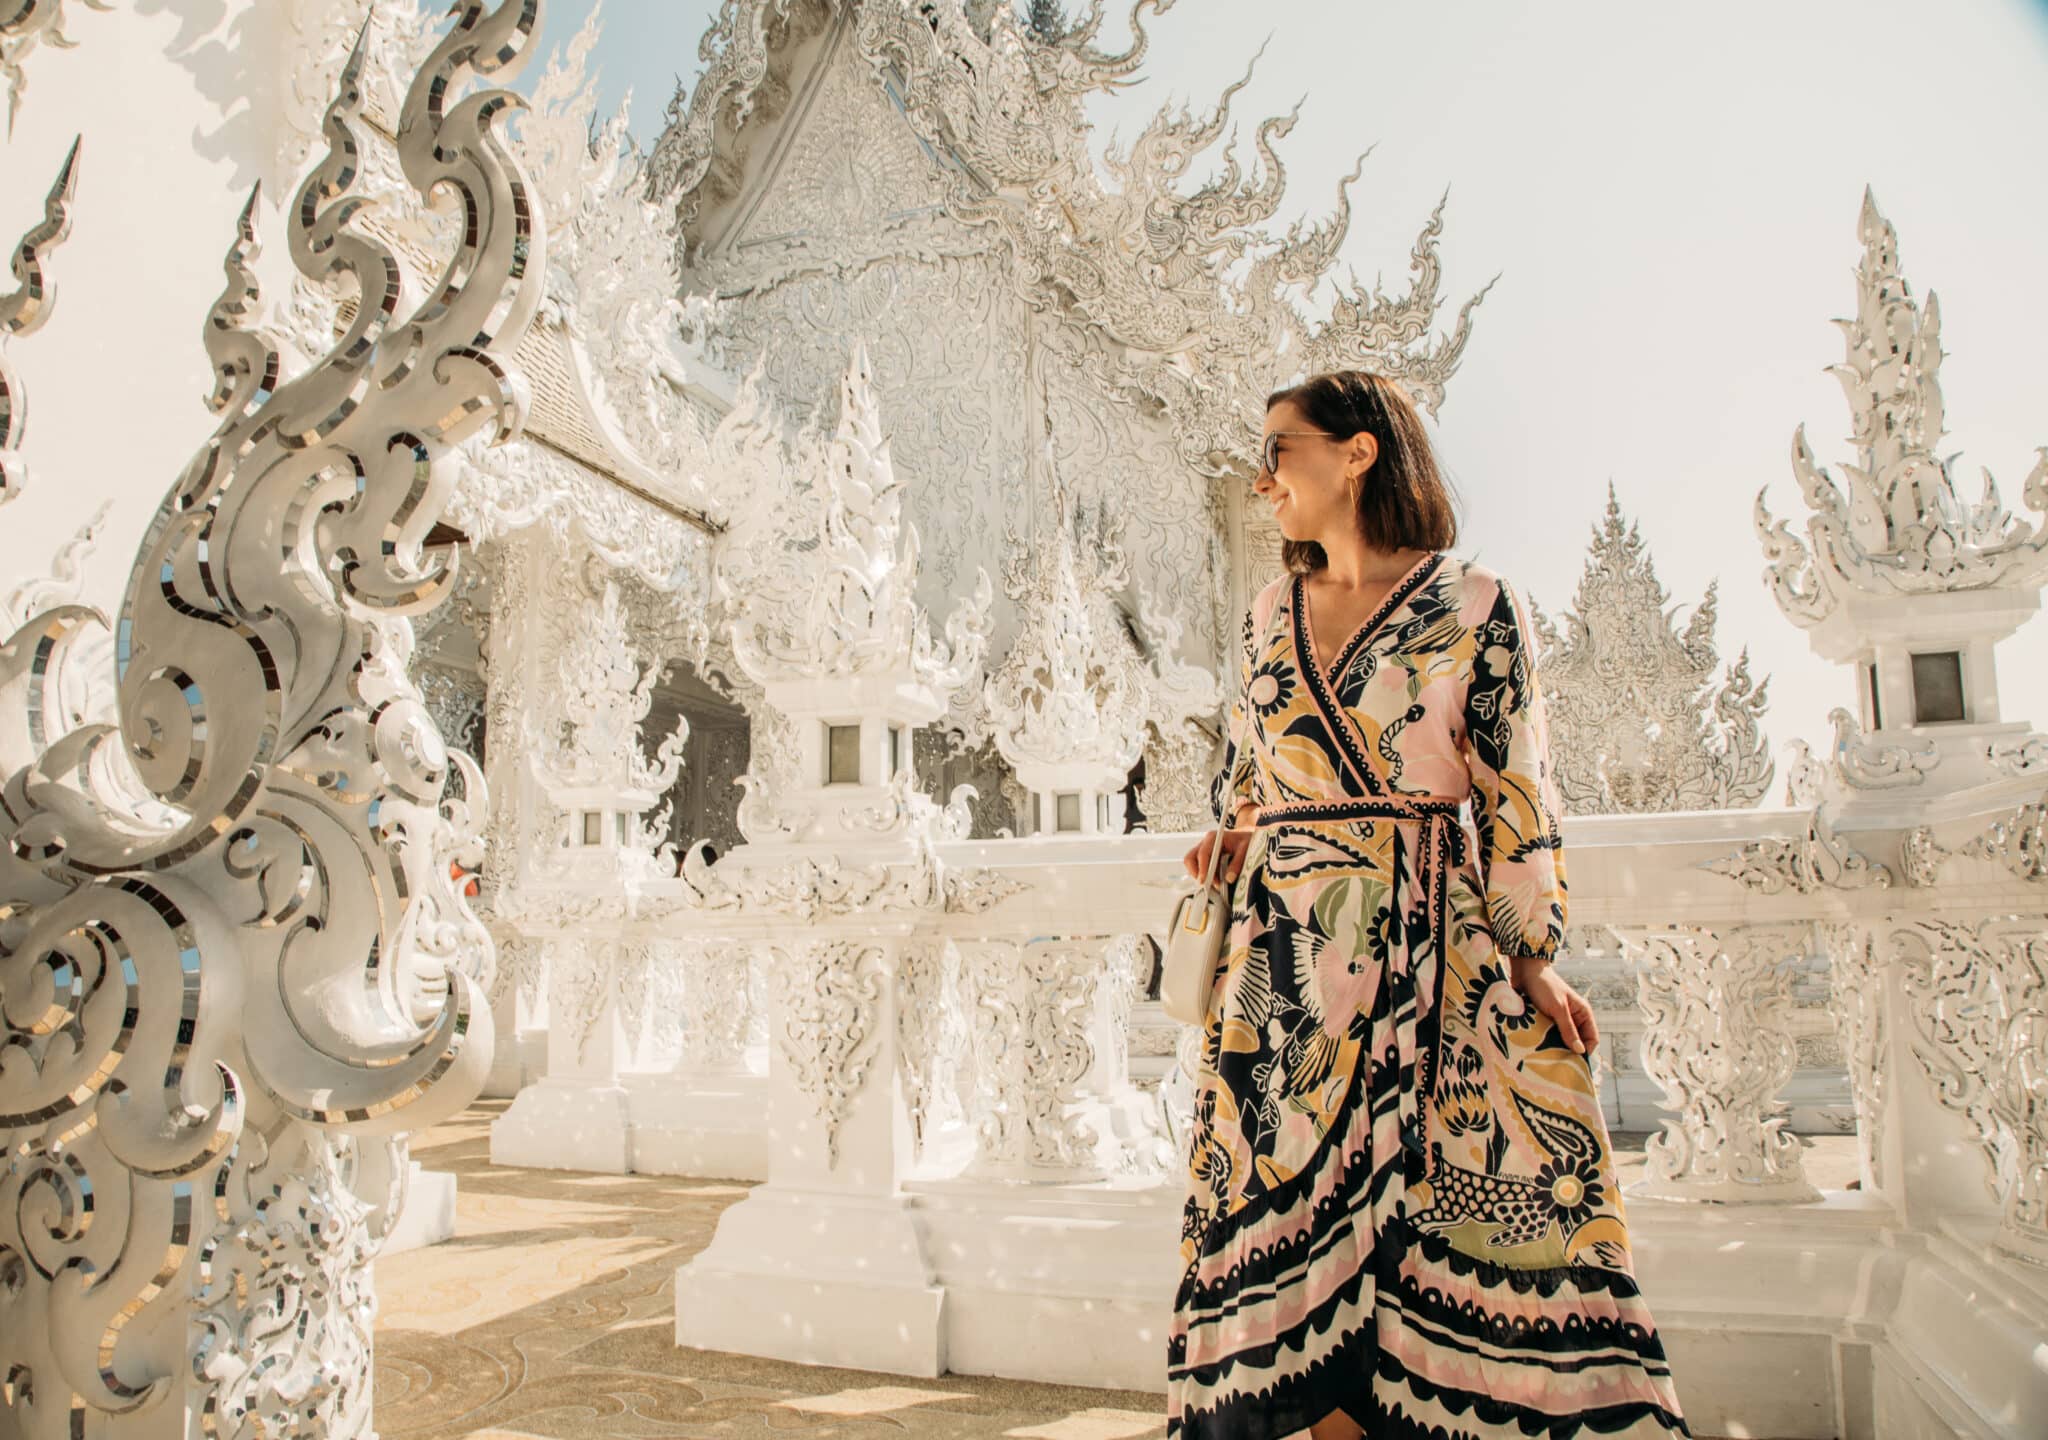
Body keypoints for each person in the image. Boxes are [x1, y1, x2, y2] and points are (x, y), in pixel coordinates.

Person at [1168, 371, 1688, 1439]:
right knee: (1281, 1236)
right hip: (1284, 968)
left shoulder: (1476, 604)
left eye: (1280, 448)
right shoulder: (1268, 612)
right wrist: (1234, 831)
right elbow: (1250, 768)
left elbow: (1514, 788)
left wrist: (1532, 953)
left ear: (1356, 452)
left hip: (1427, 950)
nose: (1261, 476)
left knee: (1454, 1207)